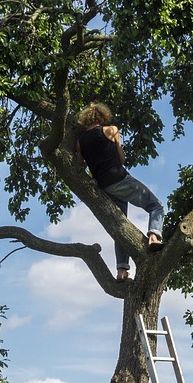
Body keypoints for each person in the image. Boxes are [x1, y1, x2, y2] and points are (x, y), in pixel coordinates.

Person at [76, 103, 164, 281]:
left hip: (104, 186)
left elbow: (81, 165)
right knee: (156, 205)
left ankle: (121, 271)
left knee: (121, 226)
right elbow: (122, 159)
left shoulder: (80, 141)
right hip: (120, 179)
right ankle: (154, 236)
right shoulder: (111, 130)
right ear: (102, 116)